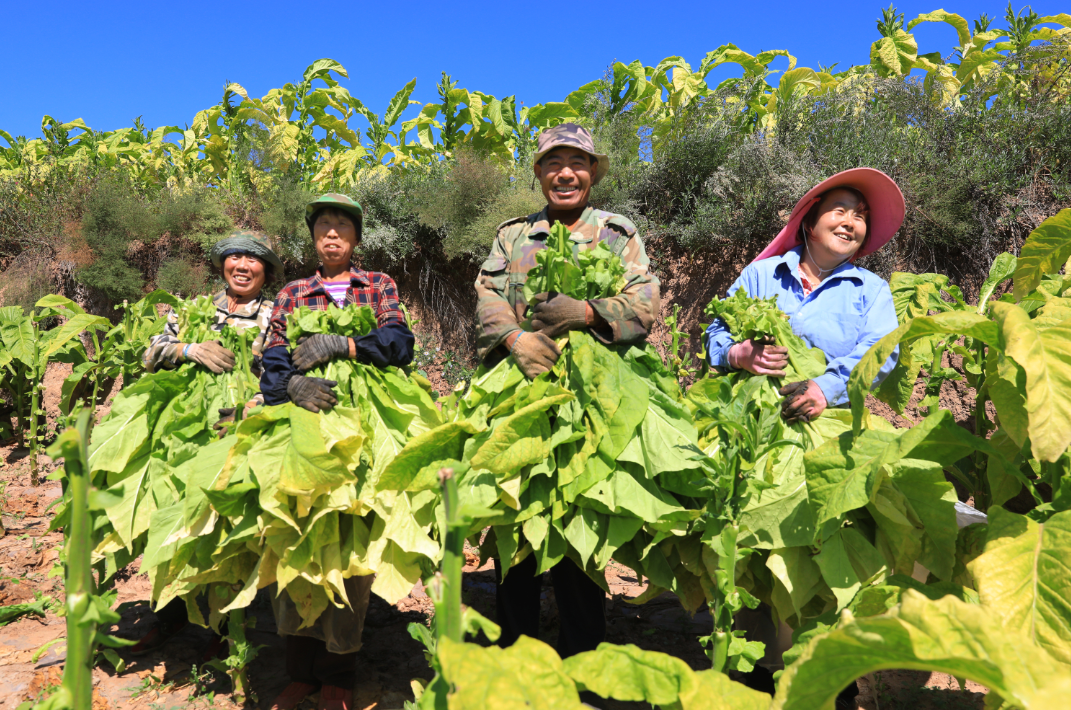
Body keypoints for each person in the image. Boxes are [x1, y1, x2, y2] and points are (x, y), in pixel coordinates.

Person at [705, 167, 904, 708]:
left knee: (824, 549)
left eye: (861, 215)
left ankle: (825, 678)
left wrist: (825, 385)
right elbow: (715, 333)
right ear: (809, 220)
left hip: (831, 434)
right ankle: (752, 678)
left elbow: (883, 355)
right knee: (746, 553)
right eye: (840, 208)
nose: (852, 220)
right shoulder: (761, 276)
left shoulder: (870, 289)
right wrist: (738, 354)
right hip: (753, 431)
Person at [473, 123, 659, 680]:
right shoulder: (512, 236)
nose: (565, 173)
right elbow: (486, 296)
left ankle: (584, 666)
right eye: (554, 163)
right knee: (515, 524)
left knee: (582, 526)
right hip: (521, 389)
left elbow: (645, 304)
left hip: (596, 398)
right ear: (539, 174)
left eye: (577, 162)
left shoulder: (617, 232)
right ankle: (513, 663)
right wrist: (516, 339)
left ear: (592, 172)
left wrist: (585, 314)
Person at [260, 193, 414, 710]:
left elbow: (399, 345)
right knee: (295, 530)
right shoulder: (292, 292)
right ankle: (299, 669)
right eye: (323, 227)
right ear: (312, 237)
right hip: (303, 422)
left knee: (352, 542)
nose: (331, 235)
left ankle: (339, 673)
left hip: (366, 422)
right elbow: (273, 359)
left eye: (341, 228)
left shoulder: (379, 285)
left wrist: (344, 345)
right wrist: (292, 389)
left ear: (355, 239)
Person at [130, 230, 282, 656]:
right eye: (235, 258)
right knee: (175, 517)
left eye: (254, 260)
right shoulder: (194, 308)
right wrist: (188, 348)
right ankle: (172, 615)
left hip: (236, 428)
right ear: (222, 265)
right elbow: (150, 352)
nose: (243, 266)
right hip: (182, 431)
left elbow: (278, 372)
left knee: (226, 524)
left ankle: (226, 626)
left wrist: (250, 407)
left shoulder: (273, 316)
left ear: (266, 271)